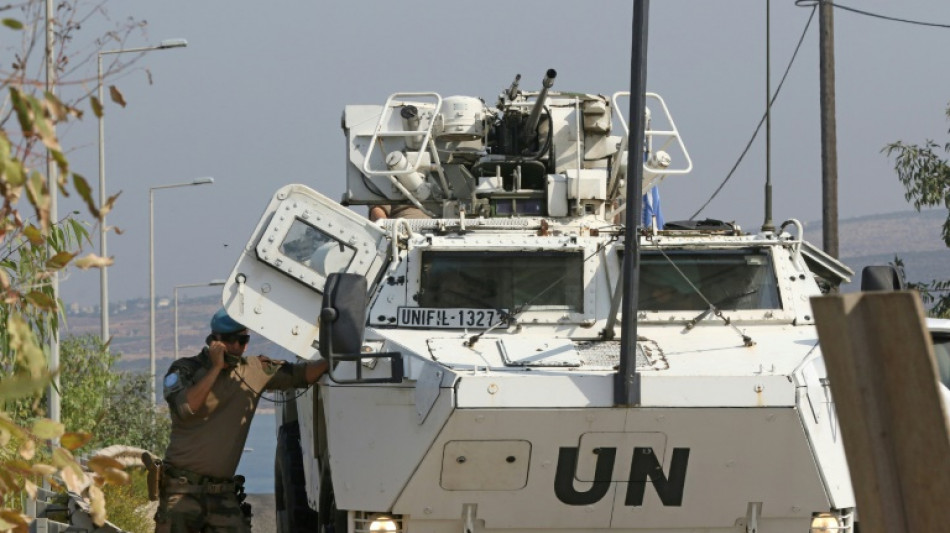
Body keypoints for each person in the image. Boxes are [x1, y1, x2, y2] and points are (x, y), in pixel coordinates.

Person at [155, 308, 328, 533]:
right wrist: (216, 367)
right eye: (229, 340)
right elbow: (187, 408)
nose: (236, 346)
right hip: (182, 490)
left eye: (242, 340)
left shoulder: (254, 370)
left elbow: (302, 374)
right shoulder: (185, 369)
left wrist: (334, 358)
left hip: (222, 494)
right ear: (213, 341)